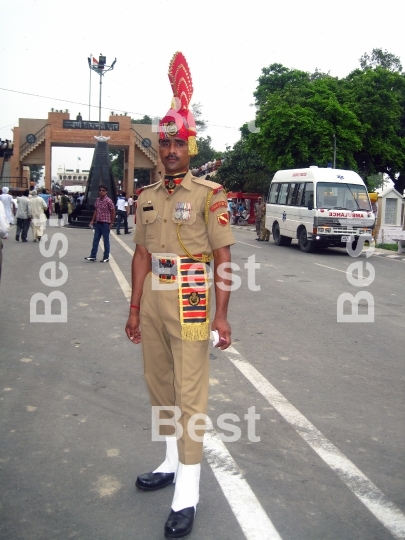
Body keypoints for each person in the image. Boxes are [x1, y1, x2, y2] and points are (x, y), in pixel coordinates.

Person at [125, 52, 234, 539]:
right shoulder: (147, 196)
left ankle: (187, 492)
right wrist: (133, 307)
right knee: (161, 387)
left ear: (191, 146)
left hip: (192, 290)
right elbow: (141, 255)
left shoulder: (211, 194)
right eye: (164, 142)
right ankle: (170, 462)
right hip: (153, 299)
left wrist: (223, 316)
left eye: (178, 142)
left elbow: (224, 260)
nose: (170, 149)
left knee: (190, 396)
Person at [84, 184, 115, 263]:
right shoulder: (97, 200)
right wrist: (92, 220)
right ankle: (93, 256)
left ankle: (106, 257)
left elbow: (113, 211)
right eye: (100, 190)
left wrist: (111, 223)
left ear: (106, 192)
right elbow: (96, 210)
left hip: (105, 223)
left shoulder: (109, 201)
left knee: (106, 241)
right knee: (95, 240)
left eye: (103, 190)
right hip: (98, 223)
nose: (101, 192)